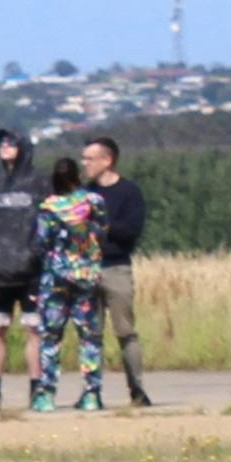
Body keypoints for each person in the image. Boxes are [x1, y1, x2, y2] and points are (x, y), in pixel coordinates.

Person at [0, 129, 43, 412]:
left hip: (31, 272)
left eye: (11, 142)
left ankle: (38, 391)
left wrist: (38, 256)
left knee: (34, 330)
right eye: (1, 142)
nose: (5, 146)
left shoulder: (39, 182)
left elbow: (48, 222)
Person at [82, 135, 154, 408]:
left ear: (107, 160)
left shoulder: (129, 193)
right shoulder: (85, 193)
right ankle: (92, 391)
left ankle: (137, 388)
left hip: (117, 268)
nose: (85, 163)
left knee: (125, 330)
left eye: (90, 158)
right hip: (88, 268)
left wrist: (102, 225)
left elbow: (130, 231)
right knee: (91, 334)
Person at [31, 153, 107, 411]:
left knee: (51, 337)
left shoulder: (48, 208)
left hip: (55, 278)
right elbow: (103, 231)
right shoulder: (94, 202)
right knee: (89, 338)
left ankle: (47, 395)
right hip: (87, 277)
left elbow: (40, 244)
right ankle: (91, 394)